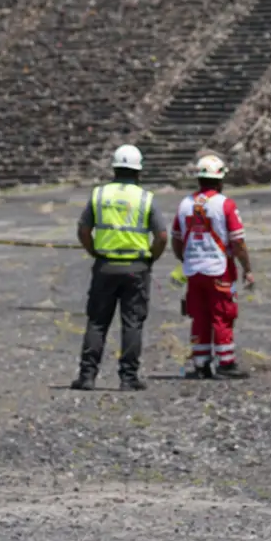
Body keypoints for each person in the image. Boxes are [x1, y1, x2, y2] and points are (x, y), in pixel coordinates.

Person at [71, 145, 167, 392]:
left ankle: (87, 376)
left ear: (114, 168)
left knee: (97, 322)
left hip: (105, 265)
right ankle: (128, 377)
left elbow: (83, 230)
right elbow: (162, 236)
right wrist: (150, 259)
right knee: (132, 322)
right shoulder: (146, 199)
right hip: (136, 267)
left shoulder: (99, 195)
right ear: (139, 171)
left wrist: (94, 251)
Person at [172, 152, 254, 380]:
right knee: (222, 315)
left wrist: (185, 260)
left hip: (193, 270)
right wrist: (247, 268)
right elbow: (237, 241)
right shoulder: (225, 204)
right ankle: (226, 363)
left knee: (199, 316)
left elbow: (176, 239)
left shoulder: (185, 204)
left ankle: (201, 363)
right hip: (219, 269)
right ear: (220, 180)